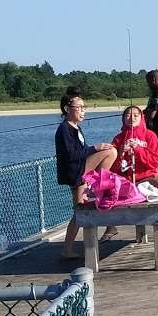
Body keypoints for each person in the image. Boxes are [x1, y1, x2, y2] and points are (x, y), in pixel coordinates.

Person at [55, 91, 116, 262]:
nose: (83, 111)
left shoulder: (76, 128)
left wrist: (93, 149)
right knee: (79, 211)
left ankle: (97, 182)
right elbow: (71, 154)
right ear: (68, 109)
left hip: (80, 169)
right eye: (79, 107)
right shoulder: (64, 129)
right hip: (75, 171)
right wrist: (95, 148)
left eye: (84, 108)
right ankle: (67, 250)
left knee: (79, 210)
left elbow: (83, 149)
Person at [112, 106, 158, 186]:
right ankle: (131, 187)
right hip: (125, 178)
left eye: (135, 115)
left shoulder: (150, 135)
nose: (132, 118)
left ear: (141, 117)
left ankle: (136, 187)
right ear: (123, 118)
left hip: (145, 176)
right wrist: (121, 153)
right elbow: (112, 167)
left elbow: (156, 161)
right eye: (128, 115)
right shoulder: (118, 138)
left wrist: (139, 150)